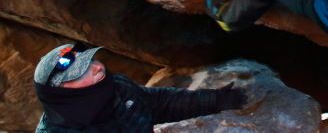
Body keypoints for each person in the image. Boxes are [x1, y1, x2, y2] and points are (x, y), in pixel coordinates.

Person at [33, 43, 247, 132]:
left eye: (91, 61)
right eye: (82, 72)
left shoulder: (116, 88)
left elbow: (159, 103)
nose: (98, 68)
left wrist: (216, 100)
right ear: (62, 92)